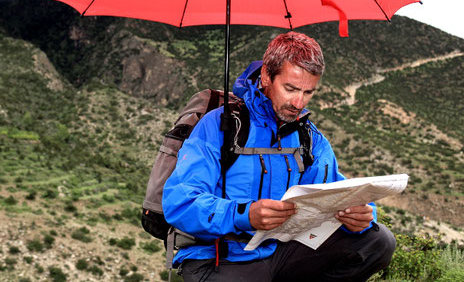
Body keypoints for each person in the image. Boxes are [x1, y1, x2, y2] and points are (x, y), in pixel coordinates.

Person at [162, 32, 395, 282]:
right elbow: (179, 203)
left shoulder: (310, 137)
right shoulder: (219, 127)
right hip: (219, 257)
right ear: (266, 77)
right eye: (291, 88)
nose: (298, 102)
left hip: (282, 252)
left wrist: (363, 214)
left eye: (308, 92)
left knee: (378, 241)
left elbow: (337, 191)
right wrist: (245, 215)